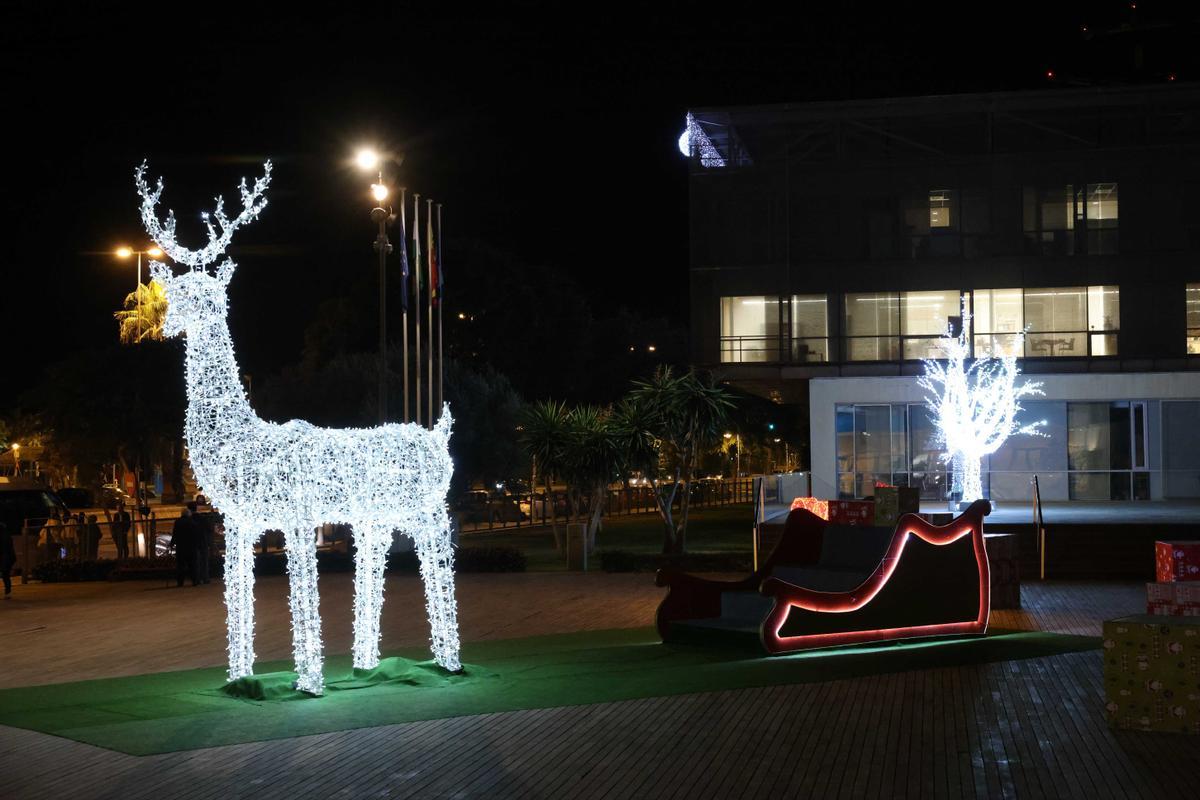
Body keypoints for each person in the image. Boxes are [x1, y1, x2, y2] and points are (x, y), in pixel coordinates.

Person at [169, 508, 200, 587]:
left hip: (181, 547)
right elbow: (196, 535)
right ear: (189, 514)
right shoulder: (193, 522)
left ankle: (180, 582)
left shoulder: (178, 522)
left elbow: (175, 533)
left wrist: (172, 543)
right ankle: (195, 581)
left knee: (180, 566)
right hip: (191, 547)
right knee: (193, 565)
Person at [188, 502, 214, 584]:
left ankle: (197, 579)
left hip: (193, 543)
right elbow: (210, 529)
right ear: (196, 508)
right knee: (204, 561)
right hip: (203, 541)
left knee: (196, 562)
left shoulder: (189, 519)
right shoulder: (203, 518)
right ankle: (205, 578)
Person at [1, 521, 15, 597]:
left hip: (5, 557)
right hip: (7, 558)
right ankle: (8, 591)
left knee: (5, 575)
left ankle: (8, 591)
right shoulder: (7, 535)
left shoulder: (4, 536)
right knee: (6, 575)